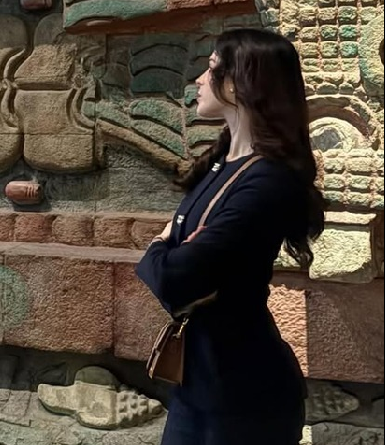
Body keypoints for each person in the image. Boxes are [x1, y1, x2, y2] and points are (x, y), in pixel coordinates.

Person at [135, 28, 326, 445]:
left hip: (244, 396)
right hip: (197, 385)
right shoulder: (222, 164)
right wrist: (167, 253)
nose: (199, 80)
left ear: (240, 83)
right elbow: (177, 270)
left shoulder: (267, 181)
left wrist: (158, 246)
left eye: (211, 69)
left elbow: (173, 279)